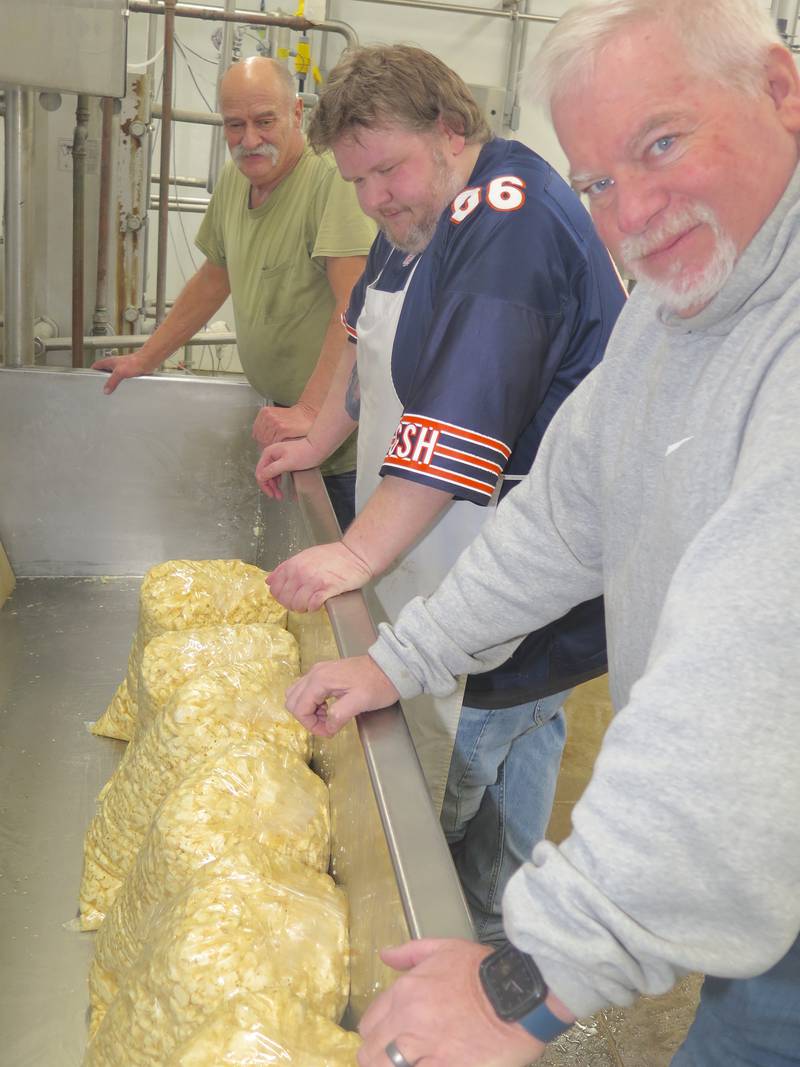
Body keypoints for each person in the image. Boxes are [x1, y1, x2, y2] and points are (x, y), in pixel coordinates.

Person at [281, 2, 800, 1065]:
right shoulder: (670, 312)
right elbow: (560, 520)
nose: (632, 211)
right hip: (755, 847)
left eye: (661, 142)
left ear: (780, 91)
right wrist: (400, 654)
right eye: (599, 180)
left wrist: (528, 978)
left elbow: (753, 681)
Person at [256, 45, 625, 945]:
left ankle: (491, 947)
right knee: (444, 759)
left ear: (451, 129)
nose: (375, 197)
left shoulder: (509, 218)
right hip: (424, 554)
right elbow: (362, 326)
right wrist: (316, 424)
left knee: (486, 783)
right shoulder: (419, 209)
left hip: (512, 583)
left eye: (386, 169)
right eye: (357, 179)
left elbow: (457, 429)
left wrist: (353, 551)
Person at [92, 57, 375, 531]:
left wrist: (308, 410)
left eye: (265, 121)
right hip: (279, 419)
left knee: (333, 574)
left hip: (336, 441)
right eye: (234, 125)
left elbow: (355, 308)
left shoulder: (329, 181)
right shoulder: (235, 180)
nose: (249, 140)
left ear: (296, 113)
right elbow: (214, 276)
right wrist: (146, 357)